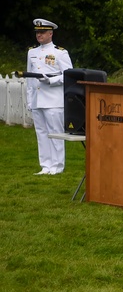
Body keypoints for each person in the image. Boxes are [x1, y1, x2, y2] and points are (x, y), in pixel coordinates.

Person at [26, 18, 73, 175]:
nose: (39, 35)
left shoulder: (60, 52)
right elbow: (30, 79)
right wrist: (29, 100)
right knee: (41, 133)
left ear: (50, 33)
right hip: (37, 99)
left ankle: (57, 166)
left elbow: (69, 76)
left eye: (42, 32)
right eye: (37, 32)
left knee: (55, 133)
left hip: (53, 99)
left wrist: (51, 80)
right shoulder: (32, 52)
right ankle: (45, 166)